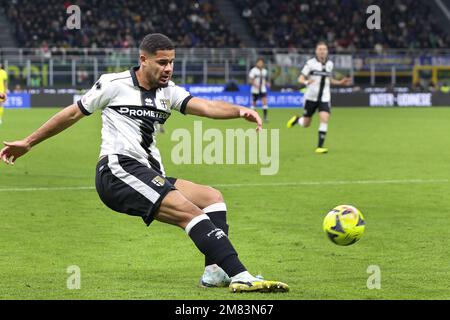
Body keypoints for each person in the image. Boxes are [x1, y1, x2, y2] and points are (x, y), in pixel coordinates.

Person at [0, 33, 289, 293]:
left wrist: (239, 110)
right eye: (162, 62)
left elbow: (207, 106)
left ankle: (214, 273)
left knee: (212, 199)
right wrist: (28, 142)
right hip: (117, 170)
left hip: (148, 173)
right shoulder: (113, 84)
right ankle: (240, 274)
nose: (168, 69)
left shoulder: (169, 92)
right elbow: (73, 114)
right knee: (190, 212)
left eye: (172, 62)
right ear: (143, 60)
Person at [287, 42, 351, 154]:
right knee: (306, 124)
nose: (322, 51)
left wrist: (340, 82)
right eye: (320, 49)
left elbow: (328, 80)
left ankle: (319, 147)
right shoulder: (310, 64)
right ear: (316, 51)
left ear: (327, 51)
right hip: (311, 98)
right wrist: (307, 81)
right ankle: (298, 120)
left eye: (324, 49)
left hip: (324, 98)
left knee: (325, 119)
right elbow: (300, 78)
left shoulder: (330, 64)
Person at [248, 58, 270, 122]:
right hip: (255, 89)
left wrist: (267, 83)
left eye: (261, 63)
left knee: (265, 102)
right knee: (254, 104)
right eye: (259, 62)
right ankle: (254, 118)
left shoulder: (264, 71)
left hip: (263, 89)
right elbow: (250, 80)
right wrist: (255, 85)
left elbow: (264, 80)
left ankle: (265, 118)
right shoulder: (253, 70)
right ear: (257, 63)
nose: (260, 64)